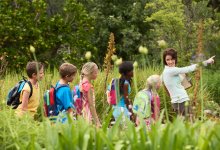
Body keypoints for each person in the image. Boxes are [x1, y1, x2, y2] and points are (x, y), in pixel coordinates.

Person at [162, 48, 215, 116]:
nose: (170, 62)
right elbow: (189, 68)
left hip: (178, 102)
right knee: (191, 123)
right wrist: (207, 61)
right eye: (168, 60)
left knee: (186, 124)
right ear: (165, 60)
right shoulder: (171, 71)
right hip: (181, 101)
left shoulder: (166, 71)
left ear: (175, 58)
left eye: (172, 59)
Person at [80, 62, 101, 127]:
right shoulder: (88, 87)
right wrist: (97, 122)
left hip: (81, 112)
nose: (97, 74)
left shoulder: (81, 83)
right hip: (87, 113)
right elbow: (91, 106)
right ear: (90, 73)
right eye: (96, 72)